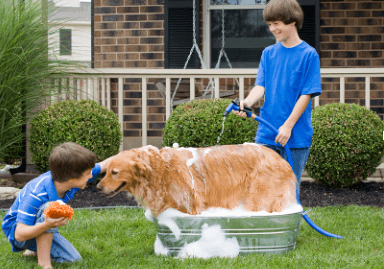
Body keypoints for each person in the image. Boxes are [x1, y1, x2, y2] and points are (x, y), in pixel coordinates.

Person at [234, 0, 321, 194]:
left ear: (292, 22)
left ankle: (289, 225)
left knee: (288, 189)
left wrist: (288, 126)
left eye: (276, 23)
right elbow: (260, 86)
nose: (272, 29)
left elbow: (306, 95)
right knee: (262, 187)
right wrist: (247, 102)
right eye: (269, 24)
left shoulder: (309, 55)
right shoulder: (269, 53)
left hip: (296, 135)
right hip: (267, 132)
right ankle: (268, 225)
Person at [2, 142, 114, 269]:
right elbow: (19, 234)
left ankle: (34, 249)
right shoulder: (36, 193)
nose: (91, 176)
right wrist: (47, 224)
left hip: (36, 226)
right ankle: (44, 264)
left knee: (73, 260)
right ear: (71, 176)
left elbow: (106, 164)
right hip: (17, 232)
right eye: (88, 173)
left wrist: (137, 152)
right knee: (49, 207)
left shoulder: (69, 179)